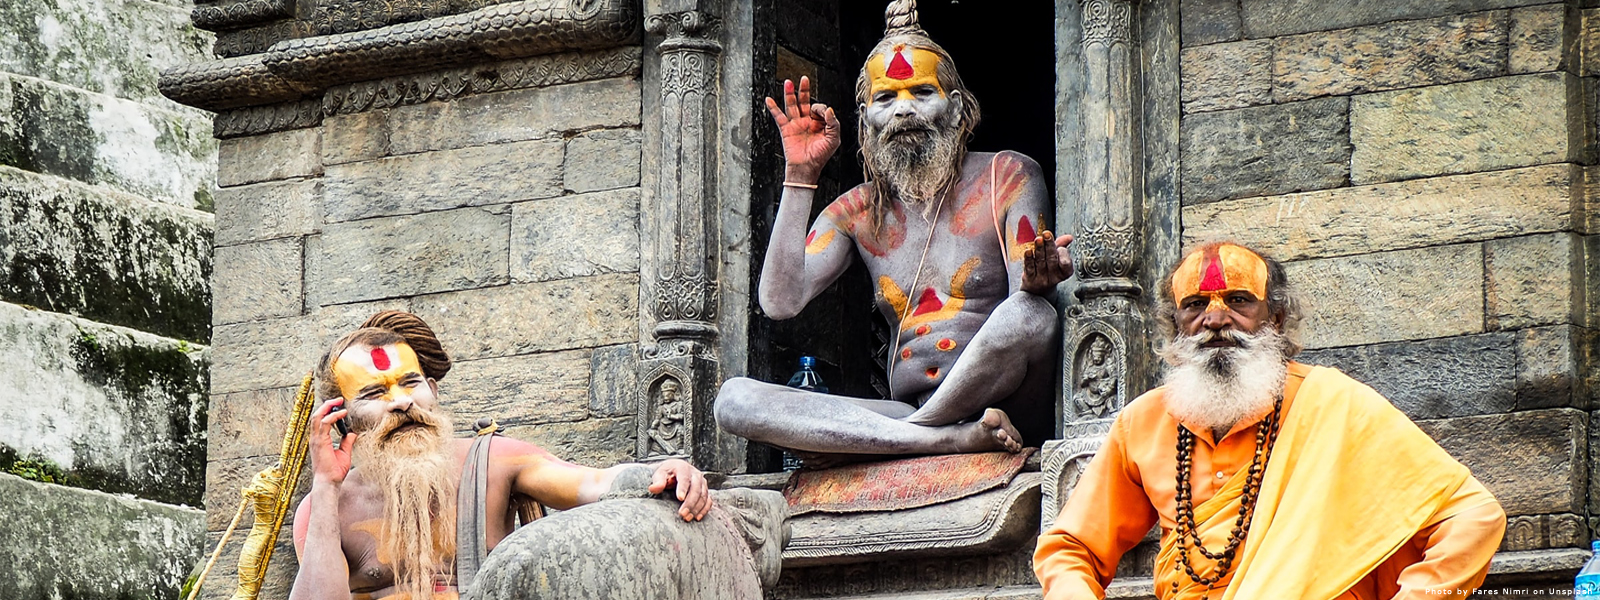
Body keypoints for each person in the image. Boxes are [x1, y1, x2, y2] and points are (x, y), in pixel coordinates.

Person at [1034, 242, 1506, 599]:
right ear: (1174, 323)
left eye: (1239, 300)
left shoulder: (1330, 403)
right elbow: (1070, 548)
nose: (1216, 319)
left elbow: (1473, 517)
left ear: (1275, 318)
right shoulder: (1144, 422)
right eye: (1195, 305)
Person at [713, 0, 1072, 459]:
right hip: (902, 415)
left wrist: (1039, 280)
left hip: (1006, 405)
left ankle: (898, 441)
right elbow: (779, 302)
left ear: (957, 108)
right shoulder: (858, 209)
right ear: (865, 119)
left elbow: (1030, 290)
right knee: (735, 401)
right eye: (885, 98)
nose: (903, 110)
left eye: (921, 92)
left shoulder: (1008, 174)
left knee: (1031, 315)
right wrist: (800, 176)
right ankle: (943, 440)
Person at [289, 311, 713, 600]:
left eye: (410, 382)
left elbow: (594, 483)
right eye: (375, 393)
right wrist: (326, 485)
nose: (401, 402)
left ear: (432, 392)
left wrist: (663, 472)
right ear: (341, 419)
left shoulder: (491, 462)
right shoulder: (325, 509)